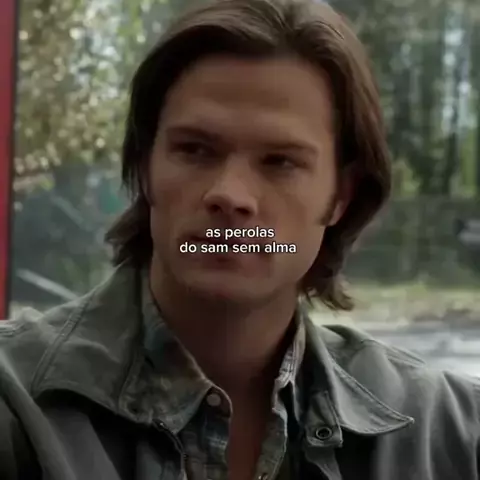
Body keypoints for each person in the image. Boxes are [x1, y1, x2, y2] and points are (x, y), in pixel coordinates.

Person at [1, 0, 479, 478]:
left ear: (340, 196)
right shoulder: (17, 403)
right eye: (195, 150)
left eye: (280, 161)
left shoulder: (448, 434)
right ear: (146, 170)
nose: (229, 195)